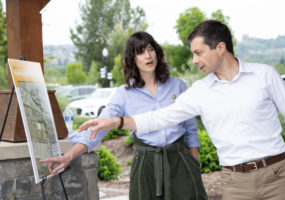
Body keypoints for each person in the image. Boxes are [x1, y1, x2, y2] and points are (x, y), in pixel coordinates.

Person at [79, 20, 285, 200]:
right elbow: (160, 118)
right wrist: (117, 122)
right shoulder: (200, 91)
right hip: (235, 184)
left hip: (278, 177)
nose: (194, 61)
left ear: (220, 48)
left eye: (199, 53)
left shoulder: (265, 75)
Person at [40, 31, 208, 200]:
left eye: (151, 49)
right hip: (146, 165)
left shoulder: (177, 85)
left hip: (180, 160)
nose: (148, 56)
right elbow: (100, 127)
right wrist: (68, 156)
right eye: (141, 52)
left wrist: (194, 162)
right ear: (133, 59)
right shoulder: (125, 94)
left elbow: (190, 128)